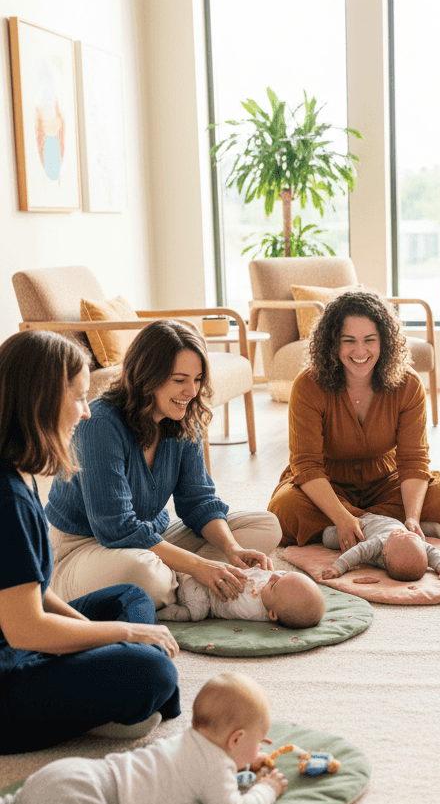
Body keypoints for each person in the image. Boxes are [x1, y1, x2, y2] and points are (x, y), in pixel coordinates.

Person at [0, 331, 180, 755]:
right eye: (79, 398)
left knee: (129, 597)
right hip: (9, 677)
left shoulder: (20, 473)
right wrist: (124, 635)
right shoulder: (6, 498)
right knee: (152, 671)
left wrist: (98, 633)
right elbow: (25, 629)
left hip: (22, 647)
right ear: (41, 400)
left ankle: (110, 689)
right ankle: (114, 702)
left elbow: (37, 593)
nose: (86, 413)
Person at [45, 320, 282, 613]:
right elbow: (115, 528)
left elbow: (199, 501)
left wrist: (231, 549)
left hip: (146, 539)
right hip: (82, 548)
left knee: (265, 525)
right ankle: (190, 582)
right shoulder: (99, 425)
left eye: (197, 379)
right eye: (180, 380)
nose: (192, 391)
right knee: (147, 576)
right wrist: (198, 564)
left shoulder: (183, 419)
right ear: (147, 377)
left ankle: (190, 585)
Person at [0, 671, 287, 804]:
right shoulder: (214, 769)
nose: (260, 748)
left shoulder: (187, 740)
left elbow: (201, 767)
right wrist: (266, 790)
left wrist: (246, 760)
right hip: (90, 802)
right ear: (236, 739)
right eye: (259, 742)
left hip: (72, 771)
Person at [268, 290, 440, 550]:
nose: (360, 350)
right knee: (284, 510)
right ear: (333, 343)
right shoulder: (307, 385)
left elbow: (413, 460)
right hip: (327, 481)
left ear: (384, 342)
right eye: (348, 341)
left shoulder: (408, 384)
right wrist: (342, 517)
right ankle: (378, 528)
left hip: (387, 479)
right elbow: (306, 466)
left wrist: (412, 517)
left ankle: (347, 533)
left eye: (369, 340)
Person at [318, 513, 440, 583]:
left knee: (330, 539)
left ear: (384, 553)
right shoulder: (382, 541)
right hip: (367, 522)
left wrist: (337, 568)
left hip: (375, 527)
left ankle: (421, 526)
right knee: (331, 537)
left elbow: (357, 551)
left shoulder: (378, 544)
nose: (402, 532)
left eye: (400, 535)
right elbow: (433, 551)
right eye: (407, 533)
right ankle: (416, 526)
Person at [171, 568, 326, 627]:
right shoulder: (274, 597)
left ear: (272, 614)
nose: (273, 576)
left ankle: (169, 612)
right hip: (204, 573)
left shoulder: (253, 609)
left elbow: (233, 592)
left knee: (198, 612)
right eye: (282, 575)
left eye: (273, 585)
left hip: (200, 591)